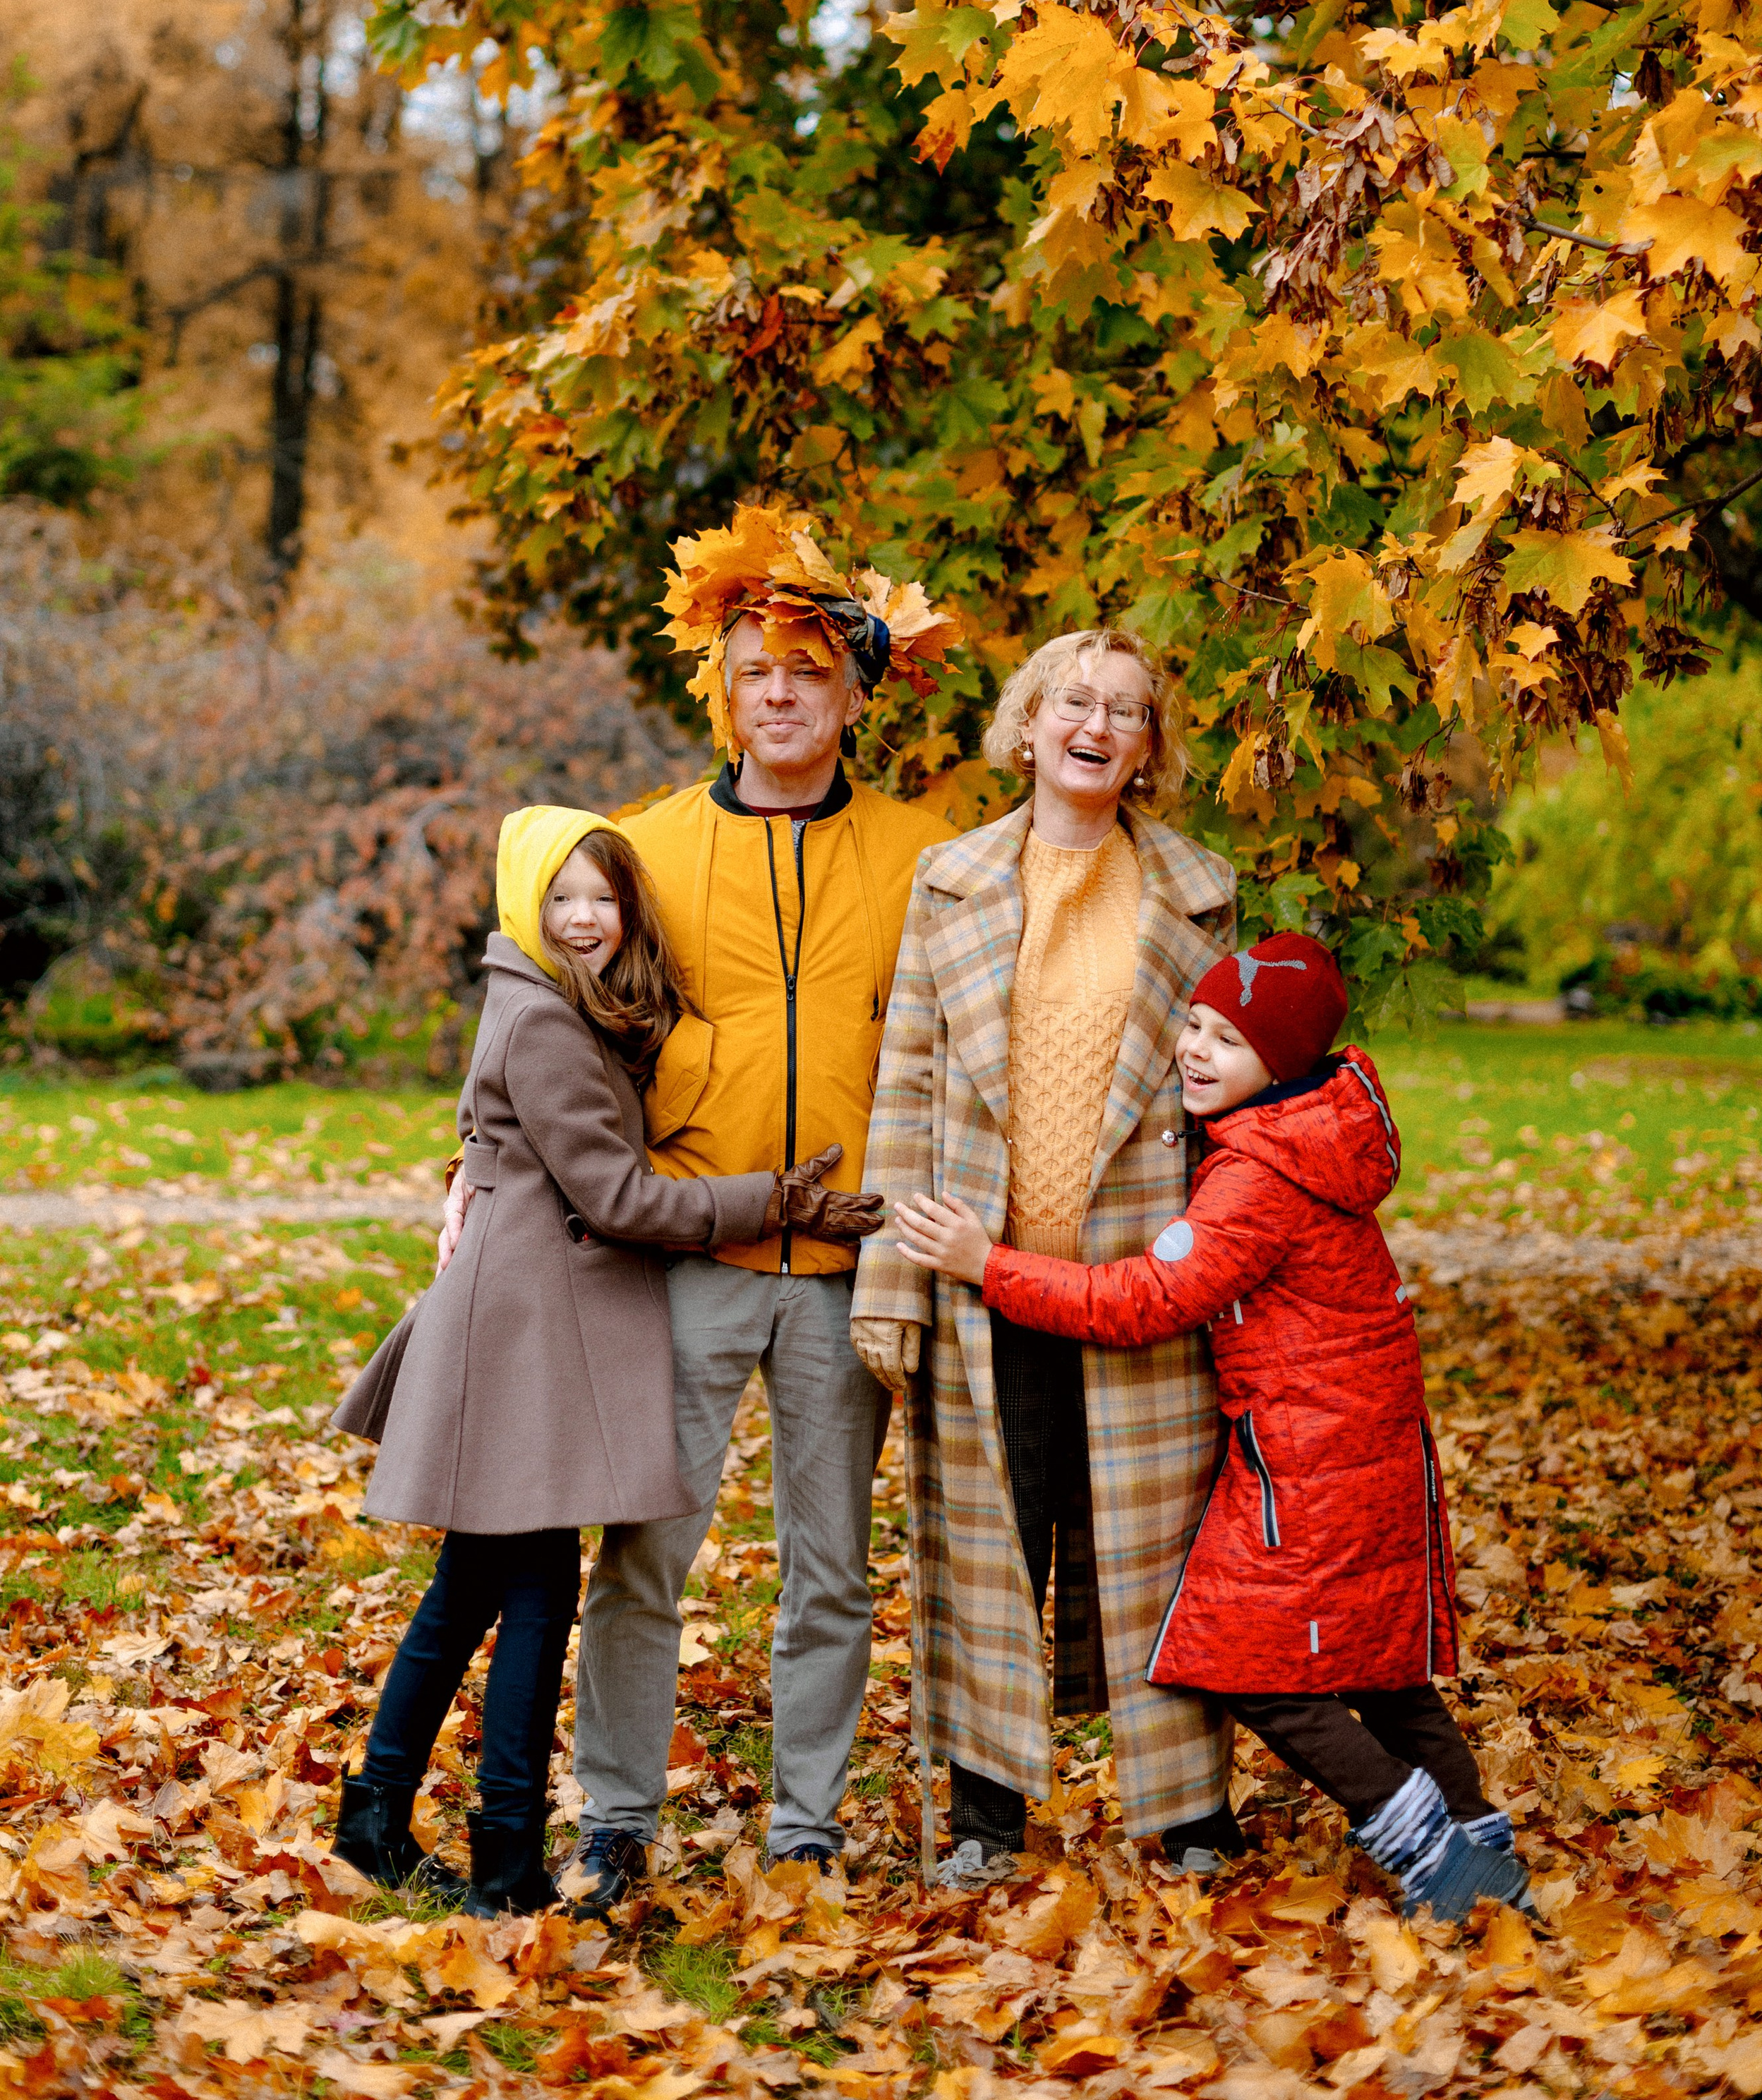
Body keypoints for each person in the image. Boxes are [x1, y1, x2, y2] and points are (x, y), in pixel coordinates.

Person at [442, 510, 958, 1905]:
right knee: (642, 1553)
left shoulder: (926, 850)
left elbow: (971, 1039)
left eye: (806, 667)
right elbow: (542, 1017)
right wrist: (468, 1172)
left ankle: (806, 1822)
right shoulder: (648, 848)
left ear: (853, 691)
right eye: (754, 669)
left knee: (830, 1566)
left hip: (851, 1263)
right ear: (720, 690)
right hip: (676, 1250)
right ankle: (614, 1819)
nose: (778, 690)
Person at [895, 931, 1530, 1922]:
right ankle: (1483, 1845)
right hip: (1363, 1438)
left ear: (1277, 1065)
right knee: (1375, 1664)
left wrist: (989, 1265)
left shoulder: (1258, 1179)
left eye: (1227, 1042)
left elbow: (1145, 1298)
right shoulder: (1313, 1128)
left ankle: (1427, 1844)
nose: (1194, 1050)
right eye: (1192, 1024)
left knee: (1246, 1661)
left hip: (1308, 1455)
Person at [330, 806, 855, 1915]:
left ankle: (376, 1813)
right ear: (525, 900)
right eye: (561, 896)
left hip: (527, 1322)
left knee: (478, 1584)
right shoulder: (546, 1026)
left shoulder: (546, 1002)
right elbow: (616, 1197)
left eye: (602, 896)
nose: (584, 918)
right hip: (530, 1334)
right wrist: (772, 1198)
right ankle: (506, 1859)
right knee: (532, 1590)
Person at [850, 626, 1241, 1888]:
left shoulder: (1199, 888)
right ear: (1028, 727)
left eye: (1125, 709)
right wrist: (892, 1286)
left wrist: (1231, 1269)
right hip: (982, 1276)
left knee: (1157, 1552)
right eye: (1073, 700)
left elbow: (1232, 1100)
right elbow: (906, 1083)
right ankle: (985, 1819)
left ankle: (1189, 1816)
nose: (1096, 722)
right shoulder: (950, 881)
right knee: (991, 1543)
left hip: (1146, 1284)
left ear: (1146, 749)